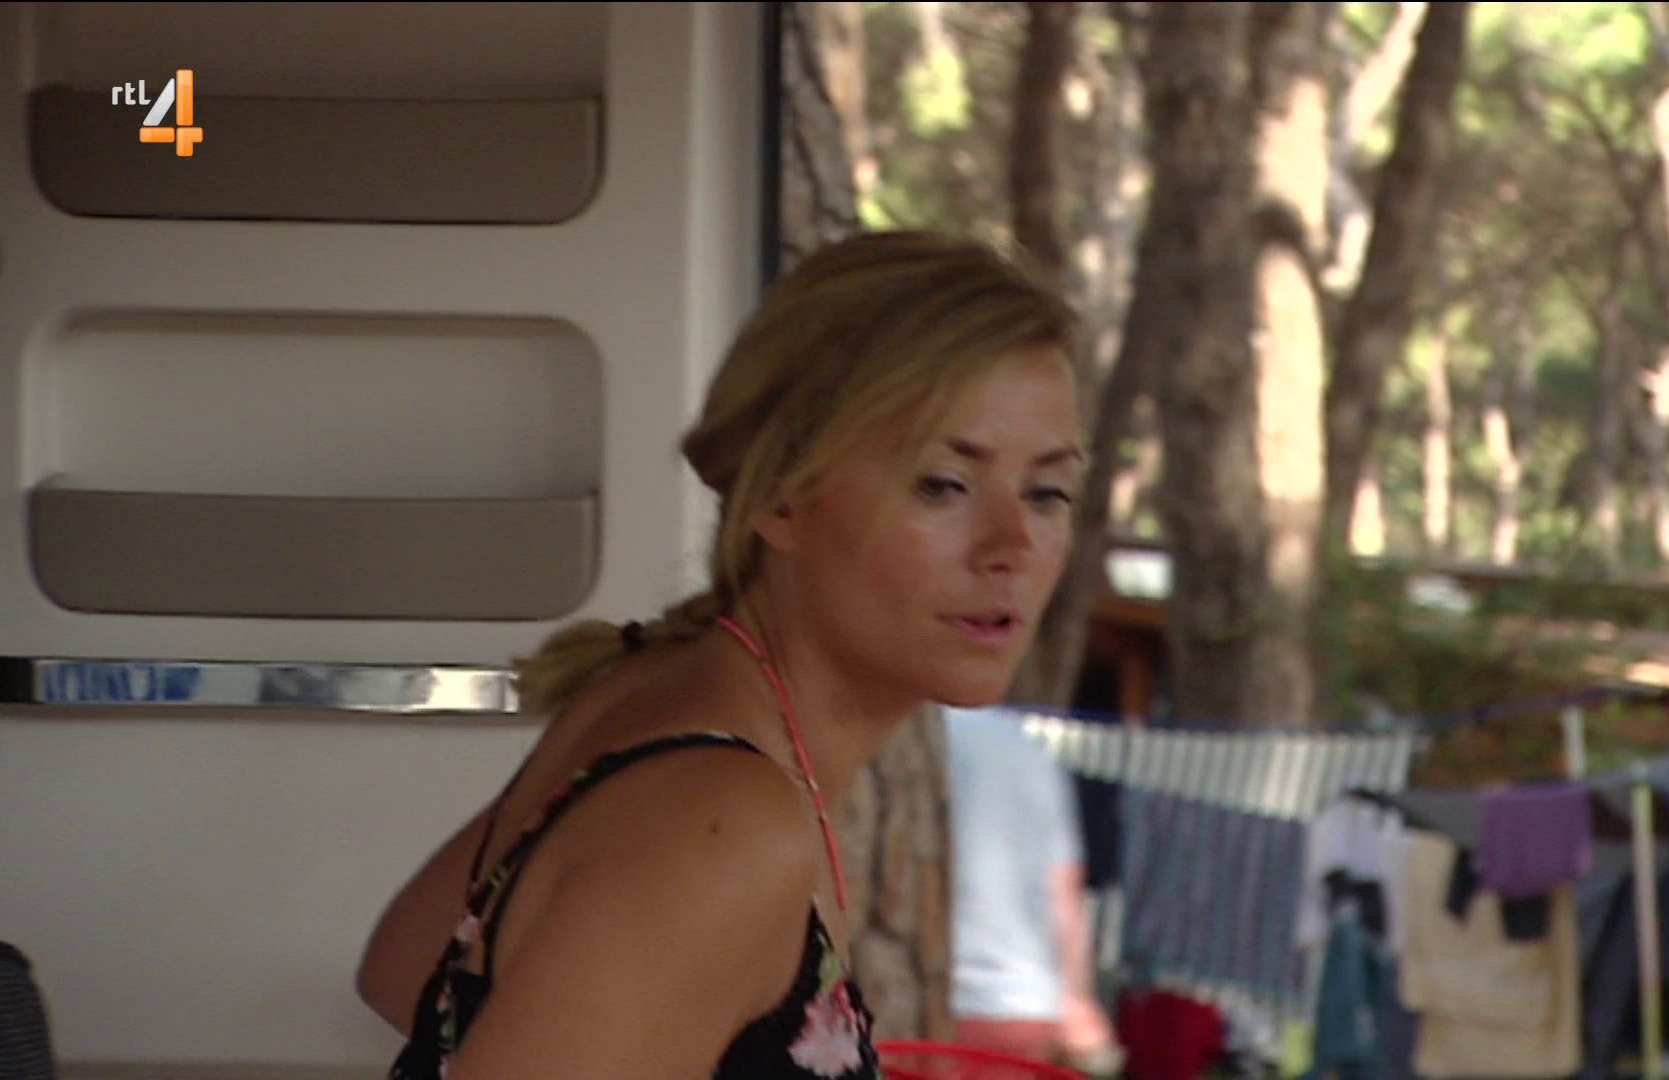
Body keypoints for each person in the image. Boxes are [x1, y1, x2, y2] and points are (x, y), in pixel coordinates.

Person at [355, 229, 1087, 1078]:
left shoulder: (660, 688)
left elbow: (409, 969)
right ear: (780, 495)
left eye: (1047, 493)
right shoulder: (727, 825)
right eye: (944, 485)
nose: (1012, 546)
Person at [943, 706, 1123, 1075]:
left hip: (936, 996)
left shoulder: (906, 738)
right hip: (1028, 1003)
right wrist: (1077, 998)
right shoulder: (1030, 749)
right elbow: (1064, 891)